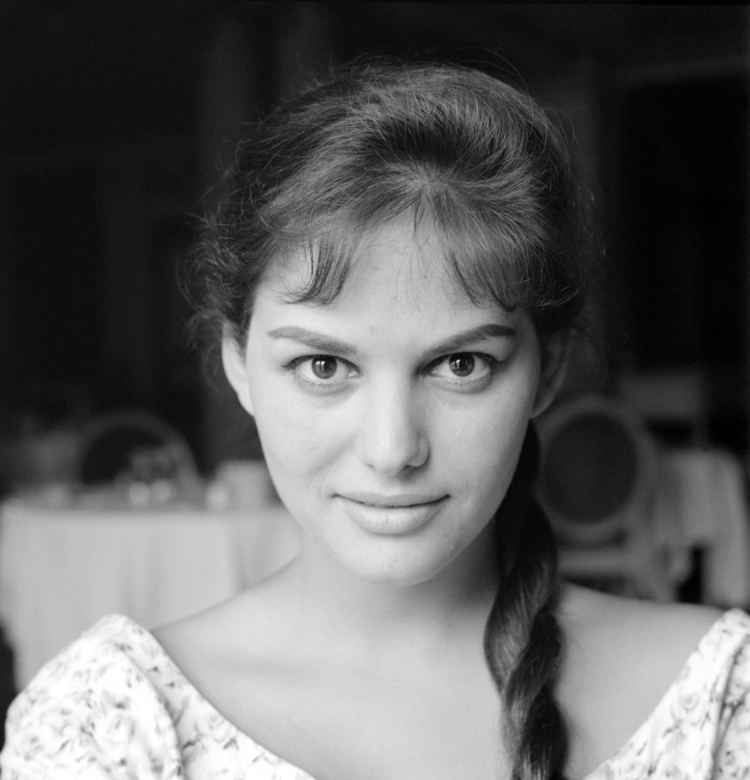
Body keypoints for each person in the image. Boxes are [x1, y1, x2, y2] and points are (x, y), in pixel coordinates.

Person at [2, 59, 749, 780]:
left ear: (546, 370)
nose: (392, 450)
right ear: (237, 360)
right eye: (325, 366)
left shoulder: (720, 700)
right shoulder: (115, 725)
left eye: (461, 364)